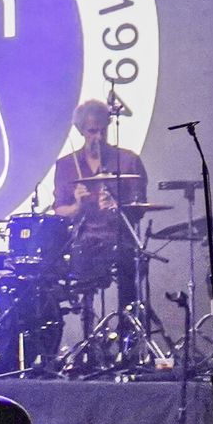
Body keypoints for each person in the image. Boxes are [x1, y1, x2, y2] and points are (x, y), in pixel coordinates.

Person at [53, 99, 149, 307]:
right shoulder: (66, 165)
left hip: (119, 239)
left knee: (128, 262)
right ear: (81, 131)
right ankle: (86, 318)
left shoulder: (128, 161)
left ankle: (128, 319)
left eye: (102, 130)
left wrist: (118, 206)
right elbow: (59, 210)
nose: (98, 137)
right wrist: (77, 206)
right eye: (92, 131)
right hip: (83, 241)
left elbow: (140, 206)